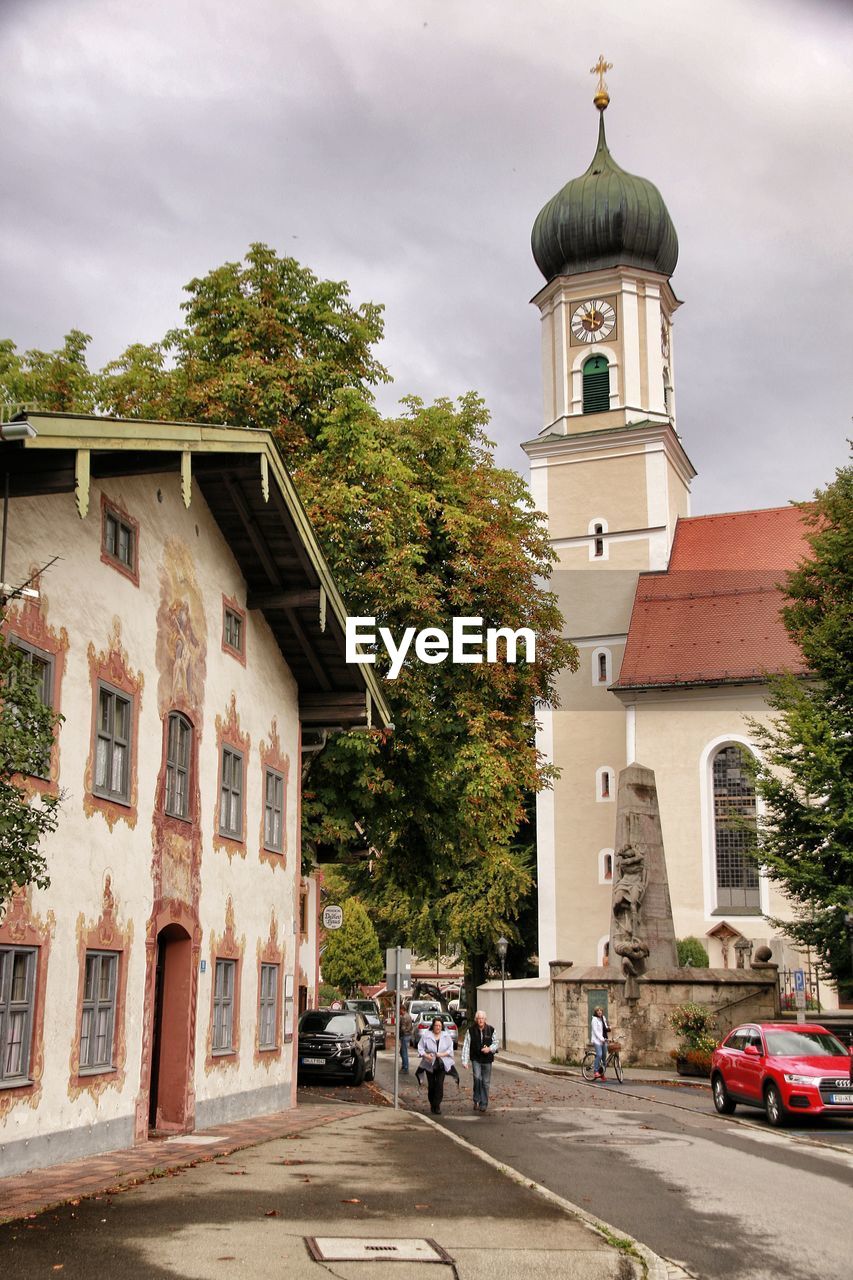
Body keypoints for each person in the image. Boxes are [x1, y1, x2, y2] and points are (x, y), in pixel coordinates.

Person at [461, 1009, 498, 1112]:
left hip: (487, 1060)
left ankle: (484, 1103)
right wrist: (465, 1061)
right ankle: (476, 1100)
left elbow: (496, 1043)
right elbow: (466, 1046)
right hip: (476, 1059)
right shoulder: (470, 1030)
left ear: (485, 1019)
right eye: (478, 1018)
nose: (480, 1020)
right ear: (476, 1019)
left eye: (482, 1018)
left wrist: (489, 1049)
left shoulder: (491, 1030)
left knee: (485, 1082)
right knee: (477, 1078)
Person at [418, 1016, 456, 1114]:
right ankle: (432, 1103)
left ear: (442, 1026)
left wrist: (442, 1054)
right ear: (433, 1026)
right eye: (436, 1025)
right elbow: (420, 1048)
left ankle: (437, 1105)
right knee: (431, 1085)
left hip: (442, 1063)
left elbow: (450, 1049)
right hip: (429, 1063)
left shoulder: (446, 1036)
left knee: (439, 1084)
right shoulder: (427, 1035)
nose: (438, 1027)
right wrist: (426, 1055)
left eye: (439, 1025)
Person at [590, 1005, 610, 1080]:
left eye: (600, 1010)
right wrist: (601, 1038)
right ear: (596, 1012)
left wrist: (608, 1029)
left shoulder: (603, 1018)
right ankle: (595, 1071)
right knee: (599, 1054)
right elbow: (595, 1031)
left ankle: (602, 1074)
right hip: (596, 1040)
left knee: (604, 1058)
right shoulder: (594, 1020)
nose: (599, 1012)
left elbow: (605, 1027)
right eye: (598, 1011)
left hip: (603, 1040)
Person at [399, 1006, 413, 1073]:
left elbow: (403, 1028)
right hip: (407, 1035)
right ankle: (404, 1065)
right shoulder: (407, 1016)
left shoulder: (404, 1017)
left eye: (399, 1010)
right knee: (402, 1051)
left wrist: (400, 1033)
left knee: (404, 1052)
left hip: (405, 1035)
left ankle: (405, 1067)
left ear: (402, 1009)